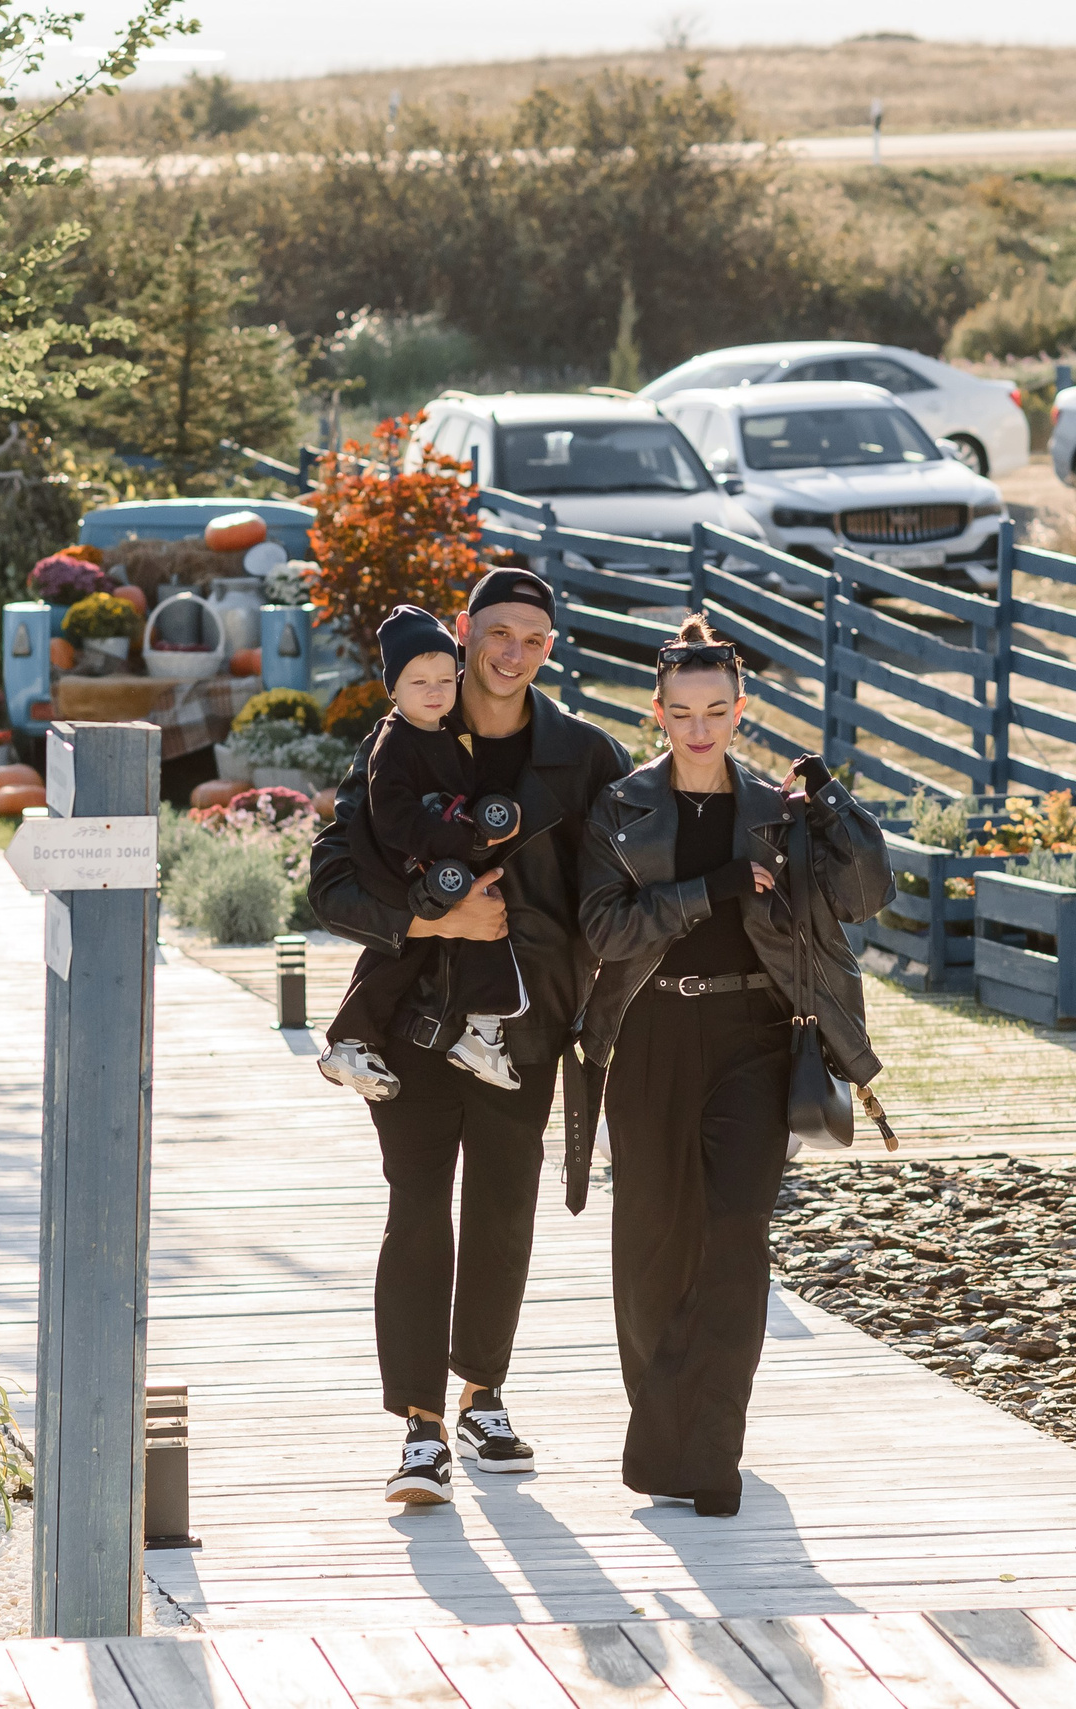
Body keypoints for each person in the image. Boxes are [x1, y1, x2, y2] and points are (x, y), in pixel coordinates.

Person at [308, 565, 630, 1505]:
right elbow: (331, 885)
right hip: (413, 1029)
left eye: (534, 639)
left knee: (502, 1210)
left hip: (520, 1028)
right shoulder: (403, 742)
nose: (512, 654)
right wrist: (433, 925)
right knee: (418, 1211)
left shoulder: (584, 756)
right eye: (498, 633)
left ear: (551, 649)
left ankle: (483, 1391)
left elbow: (620, 890)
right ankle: (418, 1426)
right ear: (465, 630)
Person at [575, 615, 890, 1516]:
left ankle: (711, 1451)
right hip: (647, 1039)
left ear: (741, 709)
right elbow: (603, 928)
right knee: (651, 1248)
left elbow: (868, 893)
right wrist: (704, 890)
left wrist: (828, 802)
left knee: (736, 1232)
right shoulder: (620, 808)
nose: (701, 728)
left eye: (718, 709)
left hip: (754, 1035)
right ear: (658, 713)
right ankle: (667, 1429)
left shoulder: (779, 812)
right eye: (683, 712)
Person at [319, 604, 525, 1102]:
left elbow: (464, 791)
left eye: (444, 680)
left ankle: (479, 1029)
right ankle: (350, 1041)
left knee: (481, 922)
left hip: (433, 859)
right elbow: (396, 820)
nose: (434, 691)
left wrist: (493, 816)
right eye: (418, 683)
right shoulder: (392, 744)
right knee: (406, 945)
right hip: (396, 863)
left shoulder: (448, 735)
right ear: (393, 689)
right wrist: (462, 841)